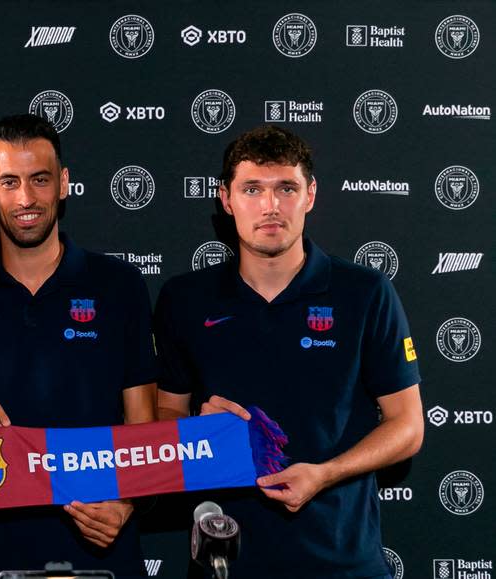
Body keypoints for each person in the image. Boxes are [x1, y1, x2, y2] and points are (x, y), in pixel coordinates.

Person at [153, 125, 423, 578]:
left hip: (343, 562)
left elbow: (409, 427)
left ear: (310, 195)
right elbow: (163, 415)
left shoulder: (364, 293)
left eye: (286, 188)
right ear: (226, 199)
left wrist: (325, 473)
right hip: (225, 563)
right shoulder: (185, 299)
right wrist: (195, 432)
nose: (270, 206)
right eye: (253, 189)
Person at [0, 114, 158, 577]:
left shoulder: (119, 286)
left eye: (40, 180)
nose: (26, 198)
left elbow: (144, 428)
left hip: (101, 548)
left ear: (64, 184)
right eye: (9, 181)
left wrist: (127, 501)